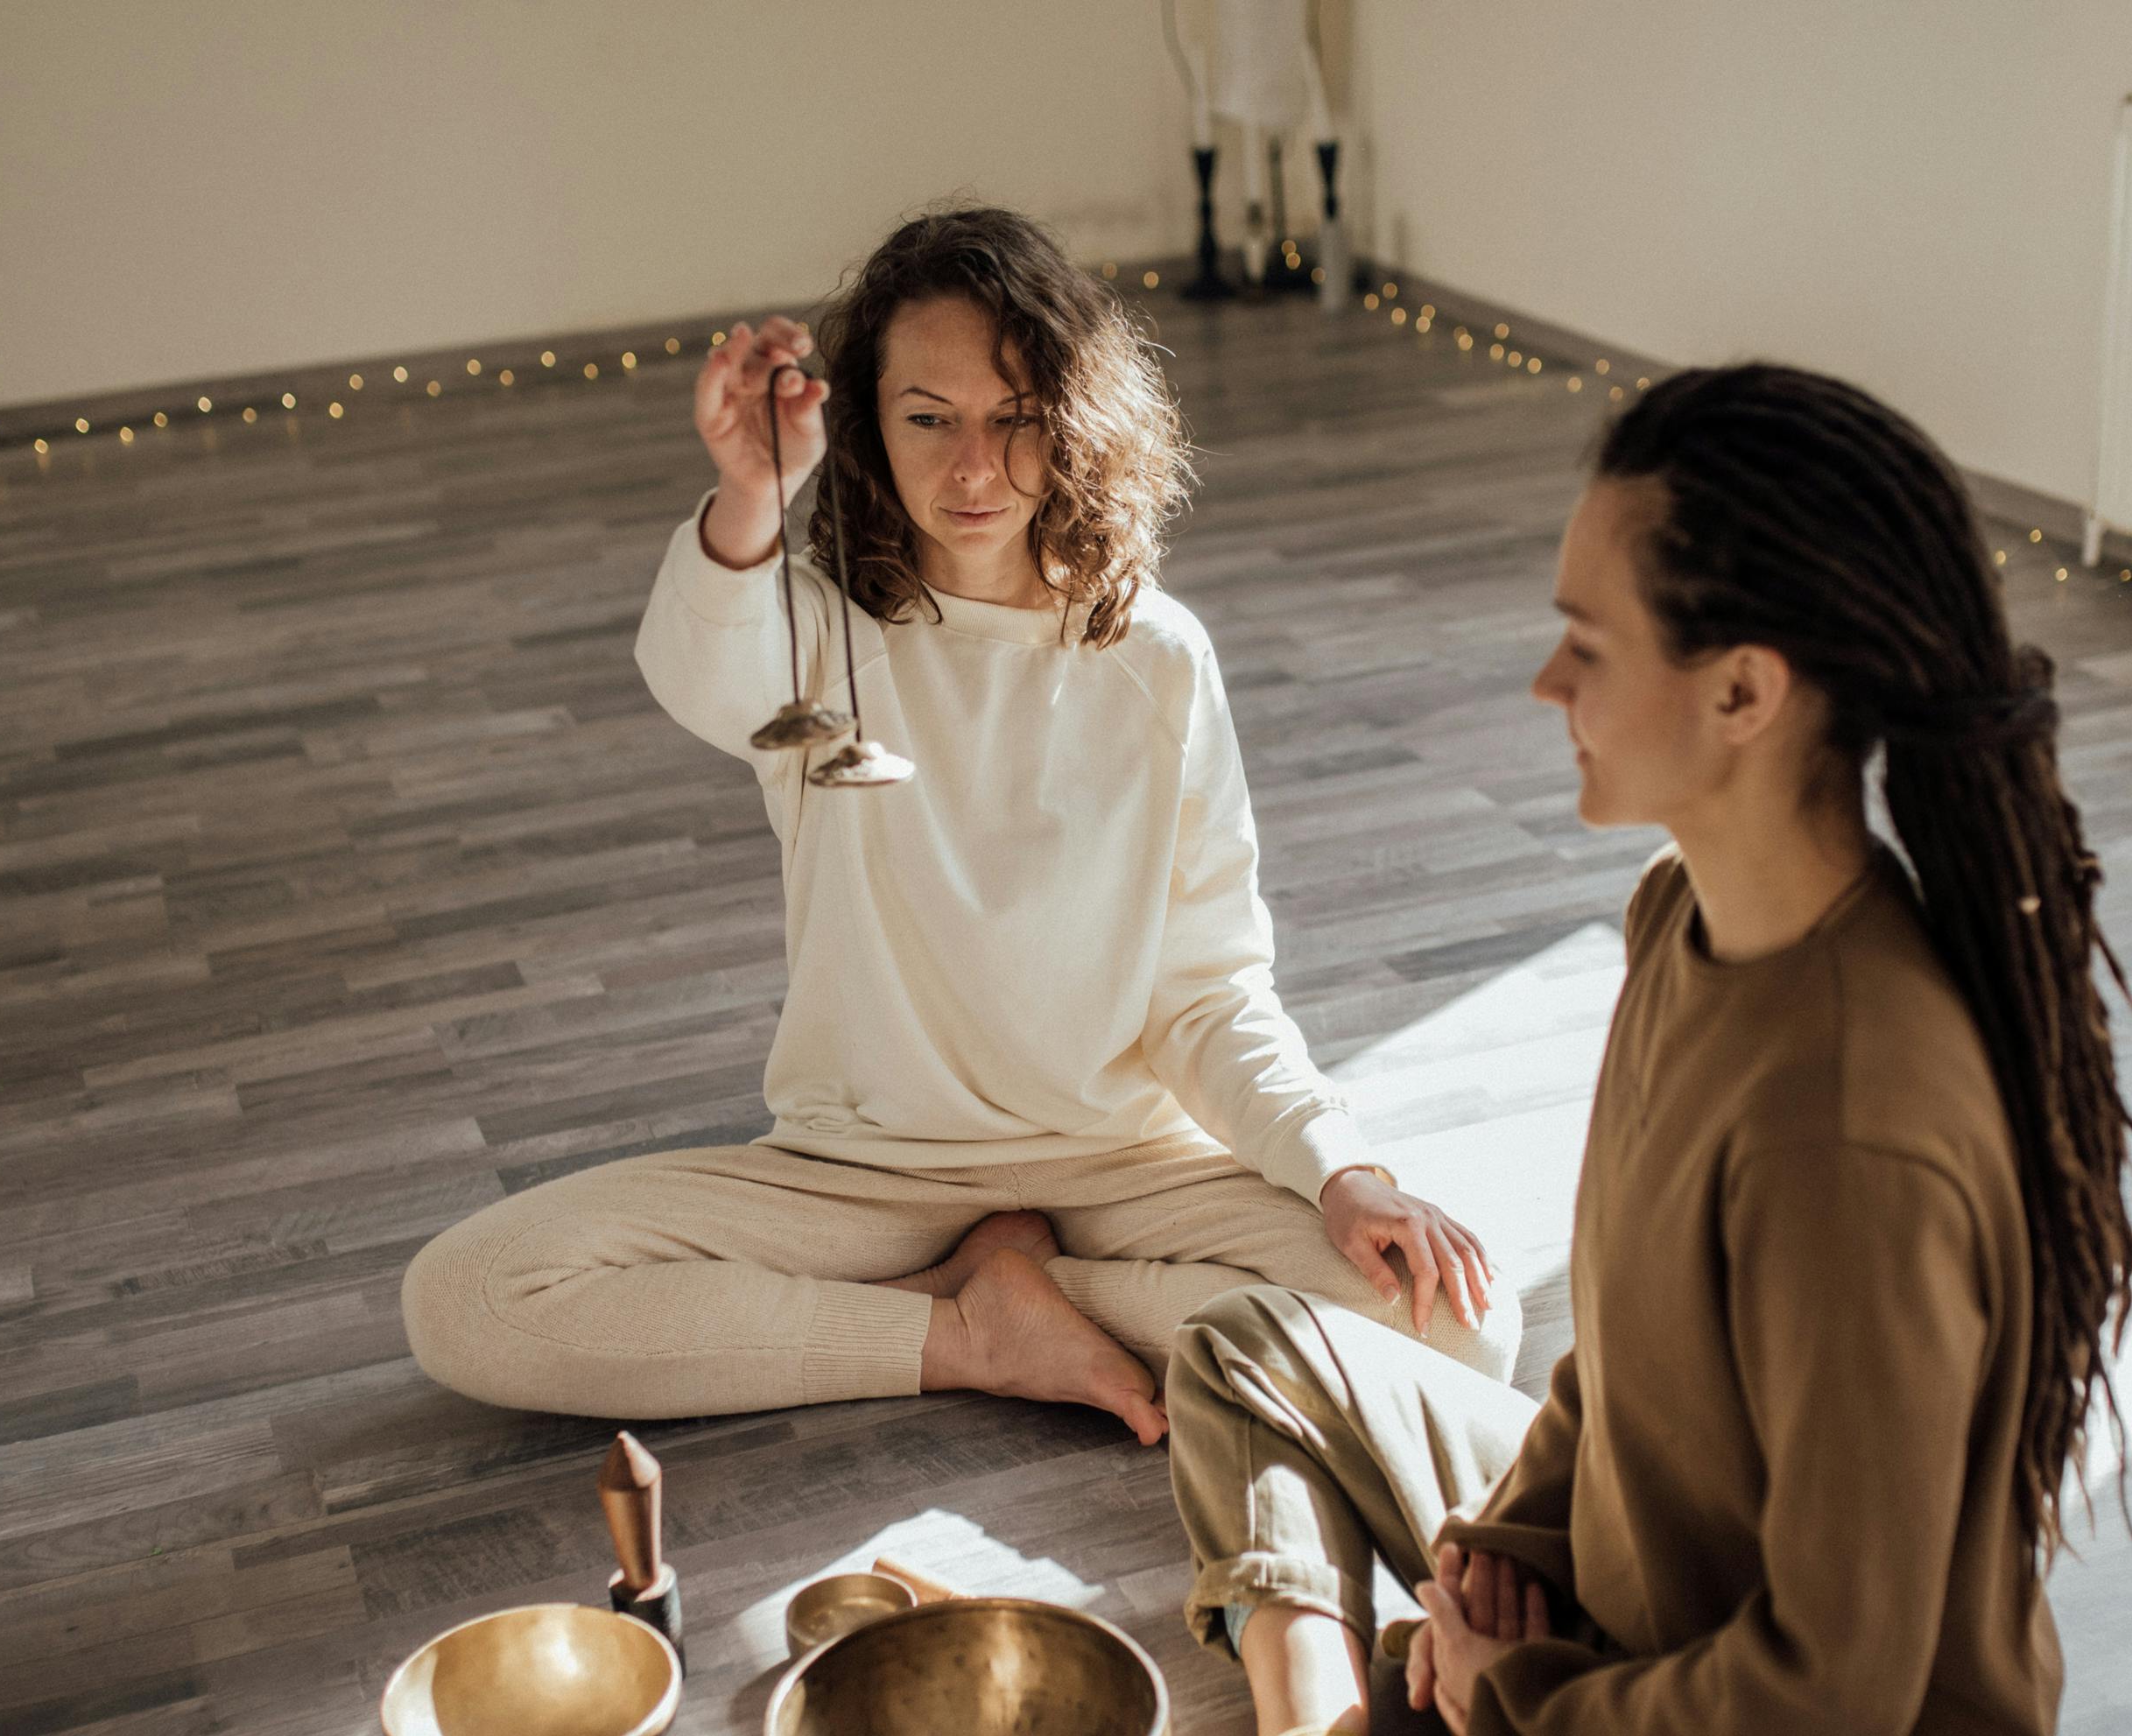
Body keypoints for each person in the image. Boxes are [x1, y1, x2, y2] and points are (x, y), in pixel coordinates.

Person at [1163, 362, 2132, 1736]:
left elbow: (1836, 1689)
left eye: (1590, 640)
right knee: (1251, 1353)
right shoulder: (1680, 919)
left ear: (1742, 695)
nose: (1545, 676)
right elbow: (1625, 1362)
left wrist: (1523, 1706)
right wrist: (1504, 1551)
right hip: (1634, 1604)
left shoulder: (1852, 1127)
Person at [401, 207, 1514, 1444]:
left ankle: (1036, 1293)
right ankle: (964, 1329)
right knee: (471, 1298)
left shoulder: (1158, 660)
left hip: (1125, 1168)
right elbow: (702, 672)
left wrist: (1337, 1167)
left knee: (1465, 1322)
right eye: (929, 418)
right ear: (870, 428)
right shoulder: (820, 639)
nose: (974, 469)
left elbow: (1209, 992)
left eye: (1016, 419)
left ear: (1079, 422)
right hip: (869, 1175)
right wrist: (750, 492)